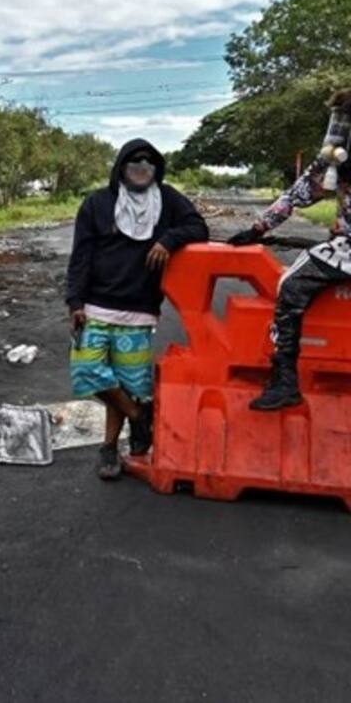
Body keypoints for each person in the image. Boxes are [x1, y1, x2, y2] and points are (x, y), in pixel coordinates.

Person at [66, 139, 209, 480]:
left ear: (156, 169)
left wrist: (168, 240)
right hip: (96, 306)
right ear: (121, 168)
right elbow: (81, 256)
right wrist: (75, 302)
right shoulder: (98, 203)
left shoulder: (168, 199)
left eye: (148, 164)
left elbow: (198, 227)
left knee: (128, 383)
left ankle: (109, 449)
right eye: (134, 164)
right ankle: (138, 417)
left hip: (140, 309)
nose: (142, 170)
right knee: (87, 371)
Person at [227, 89, 351, 411]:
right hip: (346, 247)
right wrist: (258, 229)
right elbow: (298, 193)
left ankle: (285, 381)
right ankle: (285, 381)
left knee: (291, 285)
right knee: (294, 282)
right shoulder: (334, 163)